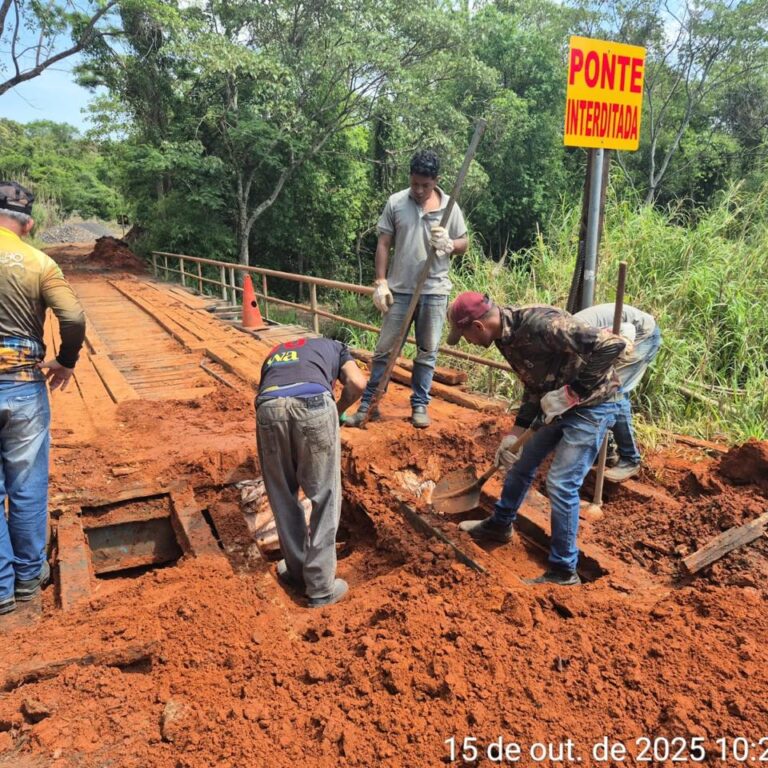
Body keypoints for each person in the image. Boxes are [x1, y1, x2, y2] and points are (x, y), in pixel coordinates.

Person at [446, 292, 626, 586]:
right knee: (520, 465)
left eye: (464, 334)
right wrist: (514, 434)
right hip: (554, 406)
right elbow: (533, 385)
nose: (466, 341)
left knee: (561, 482)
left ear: (478, 326)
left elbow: (612, 345)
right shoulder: (504, 338)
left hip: (593, 405)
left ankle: (564, 571)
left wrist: (574, 392)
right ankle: (500, 525)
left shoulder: (542, 325)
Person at [0, 181, 86, 615]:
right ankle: (29, 580)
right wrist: (65, 360)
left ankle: (0, 591)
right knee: (28, 485)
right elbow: (72, 316)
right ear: (28, 223)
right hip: (21, 382)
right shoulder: (38, 261)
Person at [345, 150, 468, 429]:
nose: (419, 190)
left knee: (427, 351)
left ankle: (420, 405)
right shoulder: (397, 203)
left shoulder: (450, 207)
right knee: (384, 350)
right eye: (415, 184)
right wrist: (380, 282)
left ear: (436, 180)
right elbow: (383, 243)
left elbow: (464, 243)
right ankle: (369, 406)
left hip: (434, 291)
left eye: (425, 185)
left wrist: (449, 244)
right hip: (400, 291)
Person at [255, 336, 366, 607]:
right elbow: (357, 383)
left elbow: (269, 395)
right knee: (325, 496)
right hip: (314, 403)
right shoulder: (338, 347)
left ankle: (296, 571)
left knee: (282, 496)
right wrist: (337, 411)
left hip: (268, 407)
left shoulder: (275, 351)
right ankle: (321, 588)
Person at [573, 303, 661, 482]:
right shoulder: (567, 333)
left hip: (642, 335)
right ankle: (607, 452)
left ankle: (630, 459)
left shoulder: (579, 334)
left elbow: (627, 329)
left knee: (614, 392)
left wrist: (625, 344)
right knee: (598, 391)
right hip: (619, 337)